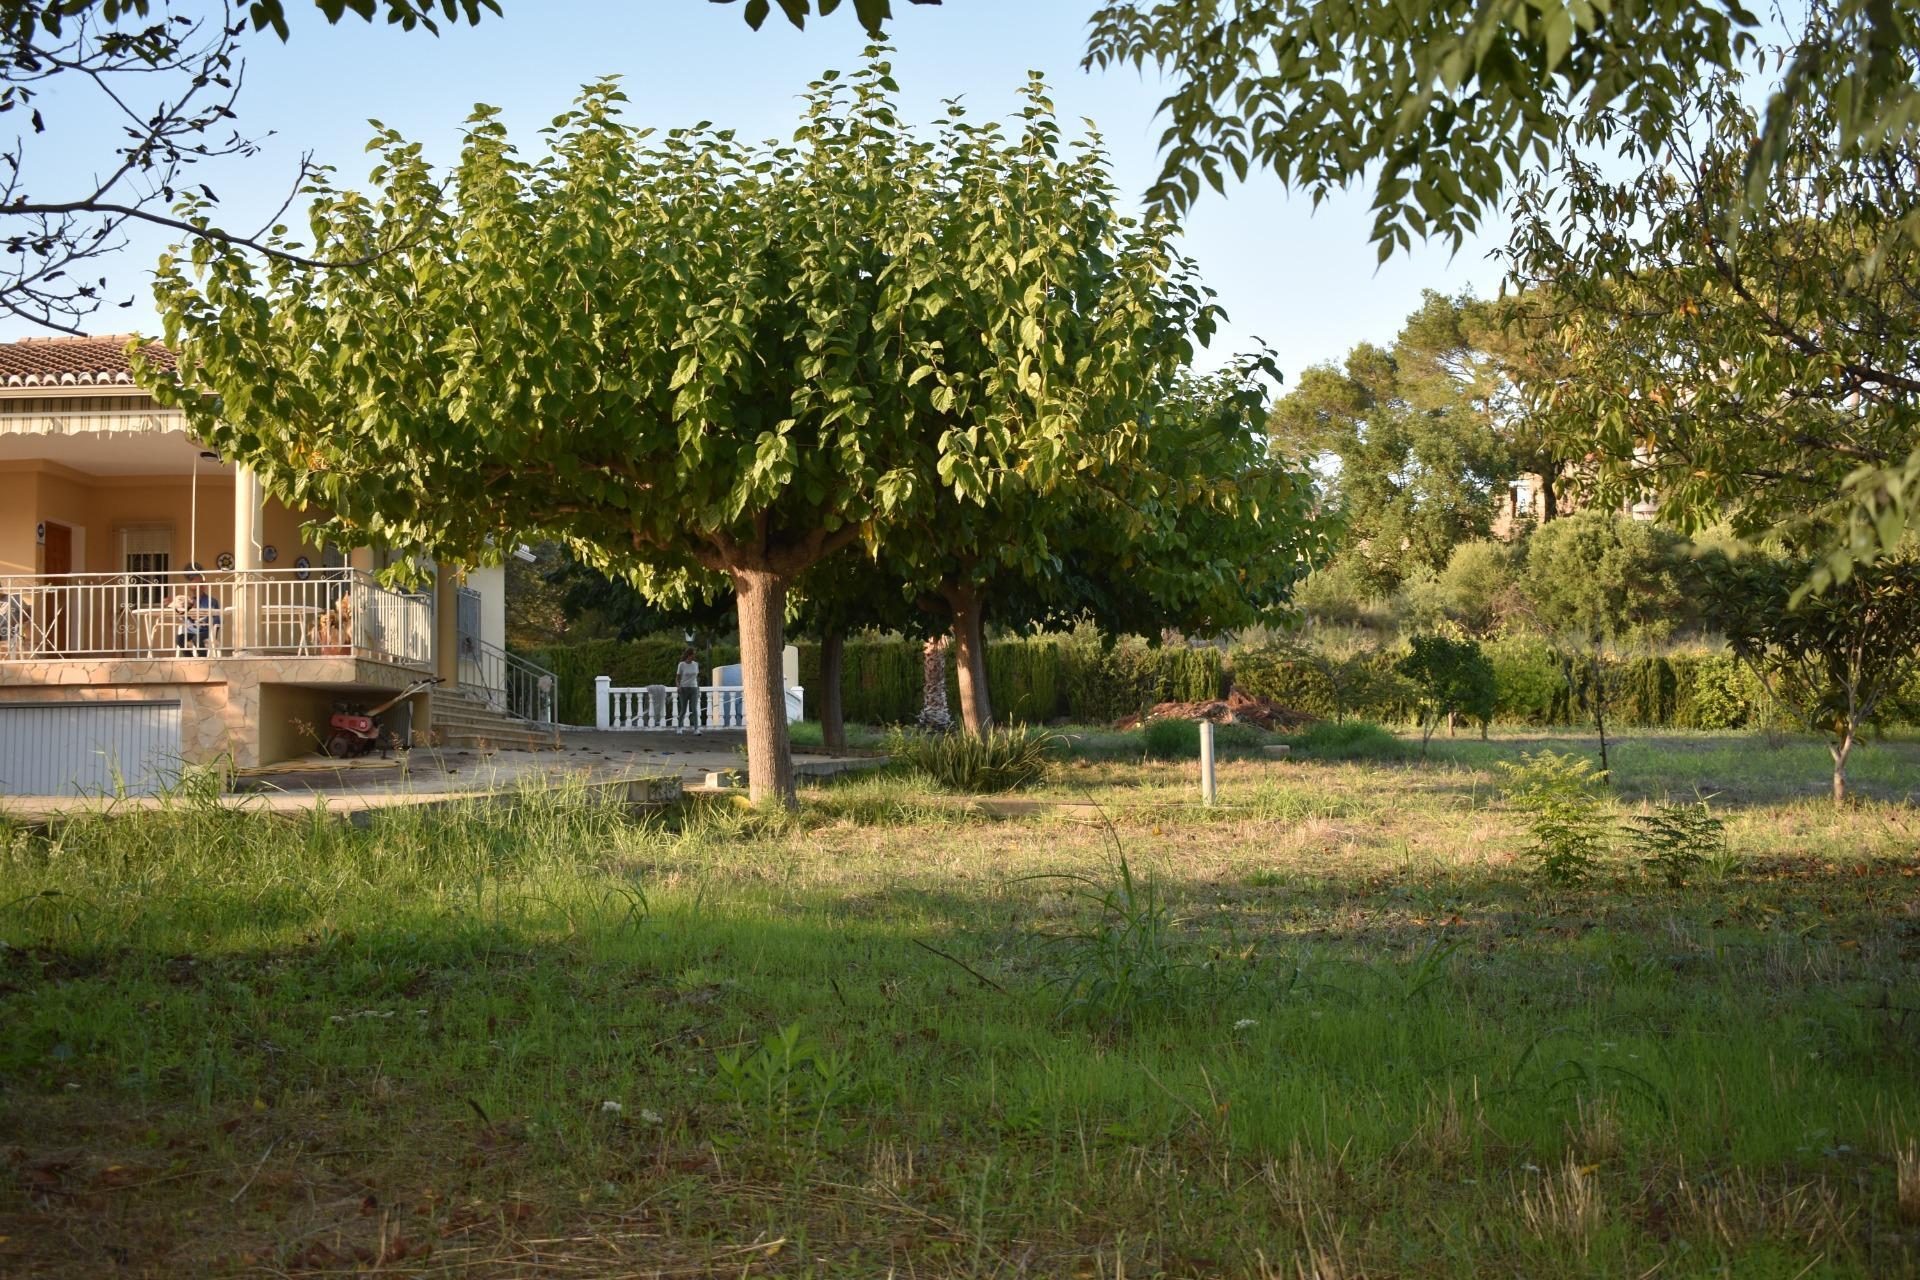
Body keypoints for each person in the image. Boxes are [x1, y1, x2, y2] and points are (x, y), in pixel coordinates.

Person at [171, 570, 221, 656]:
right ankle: (189, 658)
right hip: (191, 630)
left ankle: (203, 658)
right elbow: (183, 617)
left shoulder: (211, 601)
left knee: (196, 639)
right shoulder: (188, 601)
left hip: (205, 630)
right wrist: (182, 610)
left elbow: (216, 621)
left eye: (198, 585)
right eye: (193, 586)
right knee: (179, 639)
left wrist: (200, 619)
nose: (195, 588)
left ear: (203, 587)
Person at [675, 647, 700, 733]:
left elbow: (696, 678)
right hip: (684, 689)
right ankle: (679, 727)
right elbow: (677, 678)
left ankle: (696, 729)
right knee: (683, 709)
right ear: (689, 655)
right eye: (693, 654)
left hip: (694, 689)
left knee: (694, 709)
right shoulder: (681, 665)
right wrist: (678, 687)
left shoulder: (696, 664)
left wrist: (698, 689)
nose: (695, 655)